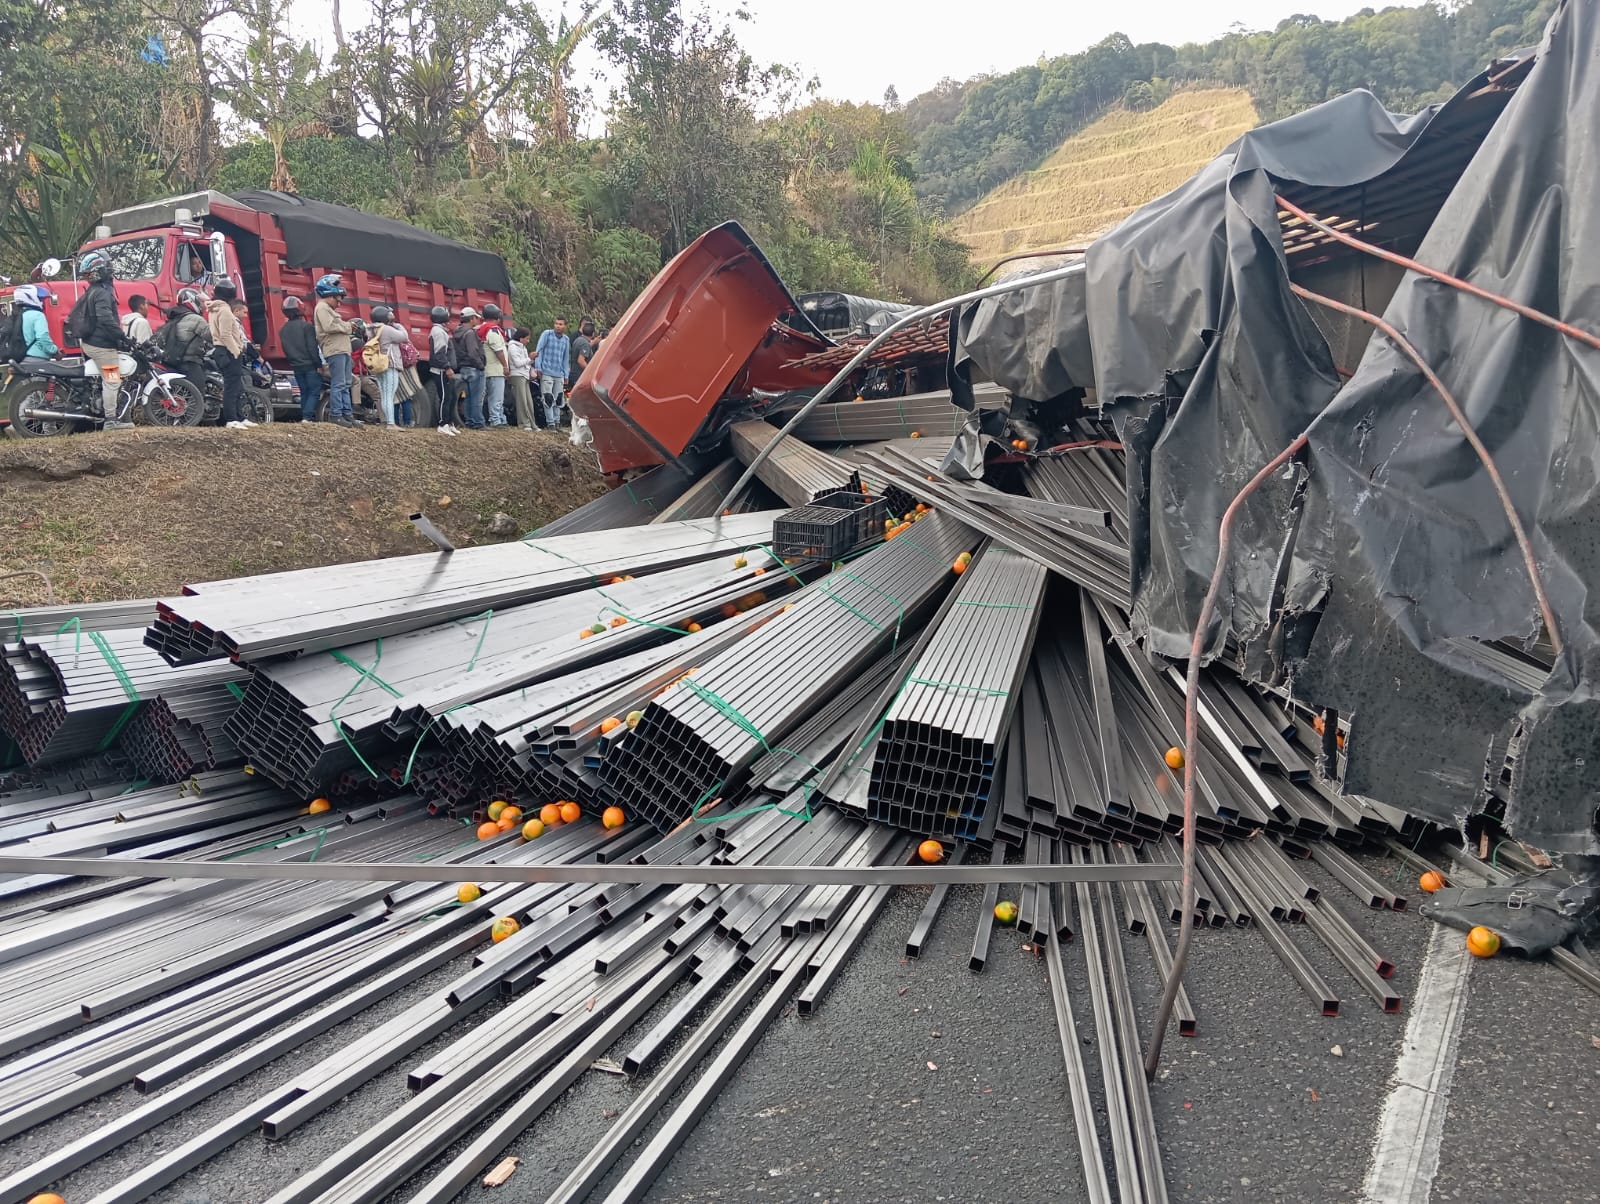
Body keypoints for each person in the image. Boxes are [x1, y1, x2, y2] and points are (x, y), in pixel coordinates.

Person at [70, 249, 135, 430]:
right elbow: (106, 320)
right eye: (108, 267)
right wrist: (122, 336)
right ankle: (111, 420)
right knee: (112, 380)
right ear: (102, 270)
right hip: (102, 347)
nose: (111, 269)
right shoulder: (102, 293)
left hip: (92, 343)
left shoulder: (93, 291)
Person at [208, 279, 254, 430]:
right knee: (231, 387)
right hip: (228, 350)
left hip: (220, 350)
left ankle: (239, 416)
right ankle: (232, 419)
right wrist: (236, 351)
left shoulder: (214, 309)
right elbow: (226, 335)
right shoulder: (225, 310)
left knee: (236, 386)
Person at [153, 289, 213, 405]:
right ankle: (198, 419)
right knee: (198, 393)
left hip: (173, 360)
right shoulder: (195, 319)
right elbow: (211, 336)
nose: (202, 306)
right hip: (189, 361)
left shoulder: (175, 317)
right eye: (200, 303)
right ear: (192, 301)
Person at [314, 273, 357, 428]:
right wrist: (347, 327)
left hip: (342, 351)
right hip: (335, 351)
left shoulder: (328, 308)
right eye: (337, 297)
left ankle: (347, 414)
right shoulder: (322, 308)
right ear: (328, 293)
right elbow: (328, 327)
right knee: (338, 384)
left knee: (345, 384)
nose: (339, 301)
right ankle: (336, 415)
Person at [279, 296, 321, 422]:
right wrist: (318, 364)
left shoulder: (283, 330)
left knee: (304, 391)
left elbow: (285, 349)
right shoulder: (306, 327)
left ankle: (304, 416)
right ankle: (307, 417)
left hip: (296, 366)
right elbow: (312, 348)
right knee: (314, 390)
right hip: (309, 365)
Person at [368, 305, 410, 429]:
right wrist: (396, 323)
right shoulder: (386, 329)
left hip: (378, 365)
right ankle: (390, 423)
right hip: (389, 364)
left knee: (383, 393)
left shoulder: (371, 329)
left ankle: (386, 421)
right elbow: (404, 337)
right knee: (389, 395)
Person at [451, 307, 486, 429]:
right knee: (476, 397)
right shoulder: (470, 333)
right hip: (474, 368)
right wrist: (481, 366)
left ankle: (470, 421)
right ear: (471, 319)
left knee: (467, 397)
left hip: (463, 368)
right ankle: (478, 422)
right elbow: (472, 352)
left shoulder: (457, 332)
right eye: (476, 317)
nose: (477, 320)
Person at [426, 305, 458, 437]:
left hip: (442, 369)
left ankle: (449, 422)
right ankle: (442, 424)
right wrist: (447, 367)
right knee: (444, 397)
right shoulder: (438, 332)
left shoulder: (440, 331)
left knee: (452, 396)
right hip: (440, 370)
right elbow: (439, 354)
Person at [533, 317, 571, 429]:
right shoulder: (547, 334)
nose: (558, 326)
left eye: (561, 324)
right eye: (556, 323)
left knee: (558, 399)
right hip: (547, 372)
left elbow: (565, 358)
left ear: (565, 326)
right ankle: (550, 423)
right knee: (548, 398)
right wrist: (538, 367)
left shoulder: (566, 340)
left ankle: (557, 421)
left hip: (558, 373)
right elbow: (539, 351)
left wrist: (566, 374)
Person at [478, 302, 509, 427]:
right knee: (496, 397)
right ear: (497, 317)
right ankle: (496, 420)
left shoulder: (480, 329)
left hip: (486, 368)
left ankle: (498, 418)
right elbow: (499, 351)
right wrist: (505, 366)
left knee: (487, 396)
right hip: (496, 369)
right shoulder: (493, 331)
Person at [14, 285, 59, 358]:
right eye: (40, 299)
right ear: (31, 298)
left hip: (20, 358)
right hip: (36, 359)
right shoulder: (37, 315)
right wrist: (55, 351)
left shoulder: (16, 316)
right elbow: (42, 337)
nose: (41, 302)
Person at [506, 328, 536, 430]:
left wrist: (531, 361)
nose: (528, 341)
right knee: (521, 401)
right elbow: (517, 363)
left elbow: (525, 362)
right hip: (517, 375)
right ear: (521, 338)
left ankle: (532, 423)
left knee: (529, 401)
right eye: (527, 339)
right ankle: (524, 424)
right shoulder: (513, 347)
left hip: (524, 375)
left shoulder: (523, 347)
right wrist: (529, 358)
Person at [571, 317, 596, 385]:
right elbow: (581, 361)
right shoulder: (585, 343)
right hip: (579, 375)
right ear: (593, 333)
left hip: (573, 372)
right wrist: (589, 371)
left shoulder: (578, 340)